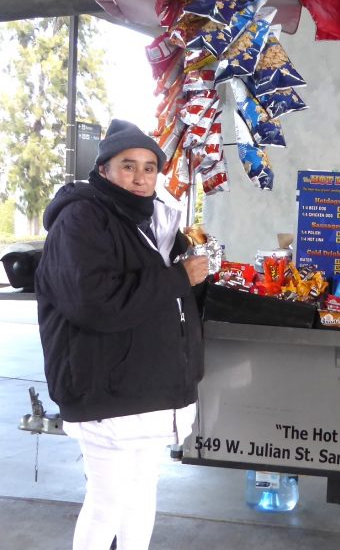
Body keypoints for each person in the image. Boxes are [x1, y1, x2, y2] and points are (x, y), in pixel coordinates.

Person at [35, 119, 209, 550]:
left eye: (149, 167)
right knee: (108, 499)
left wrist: (187, 276)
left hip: (149, 387)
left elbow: (157, 296)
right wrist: (176, 279)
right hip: (106, 388)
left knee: (140, 493)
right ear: (104, 170)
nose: (139, 177)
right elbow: (94, 303)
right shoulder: (82, 218)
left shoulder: (153, 222)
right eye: (127, 165)